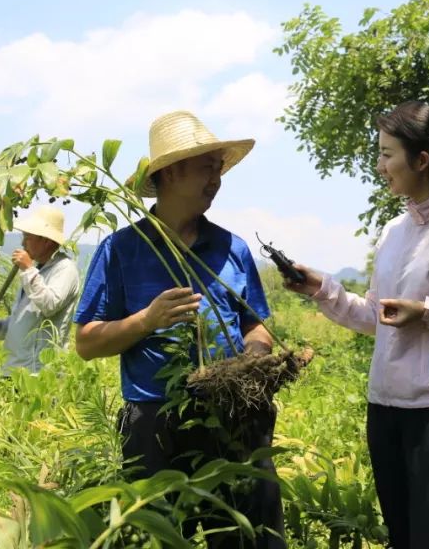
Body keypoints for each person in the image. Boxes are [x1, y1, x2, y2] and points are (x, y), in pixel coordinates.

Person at [286, 101, 429, 549]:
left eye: (387, 154)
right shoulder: (394, 232)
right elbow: (378, 317)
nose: (380, 165)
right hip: (385, 408)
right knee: (402, 538)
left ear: (422, 160)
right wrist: (321, 288)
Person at [73, 110, 284, 549]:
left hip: (233, 414)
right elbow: (87, 343)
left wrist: (252, 361)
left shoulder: (232, 248)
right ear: (170, 173)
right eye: (207, 166)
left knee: (247, 534)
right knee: (162, 537)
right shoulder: (122, 249)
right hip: (153, 420)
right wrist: (145, 321)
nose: (217, 178)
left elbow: (256, 325)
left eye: (219, 167)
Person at [0, 206, 81, 375]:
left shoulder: (65, 269)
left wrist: (28, 269)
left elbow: (49, 305)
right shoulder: (37, 270)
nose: (23, 243)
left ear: (46, 240)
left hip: (37, 373)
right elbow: (22, 320)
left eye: (28, 238)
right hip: (13, 370)